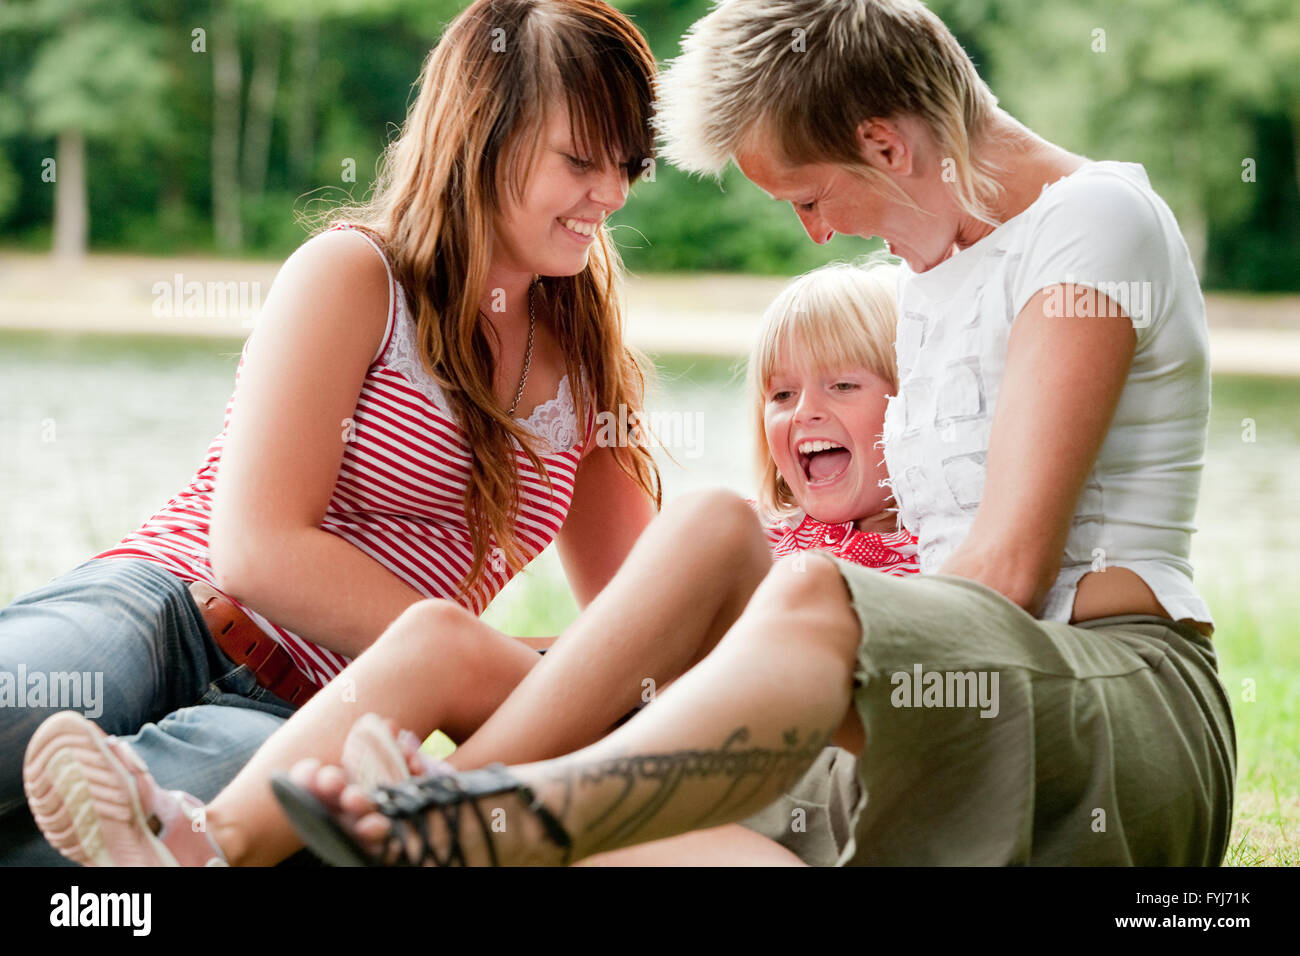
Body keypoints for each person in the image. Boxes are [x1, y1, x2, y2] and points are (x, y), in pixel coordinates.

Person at [273, 0, 1236, 868]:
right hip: (947, 712)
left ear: (885, 146)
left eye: (808, 199)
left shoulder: (1092, 223)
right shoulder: (932, 279)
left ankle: (478, 813)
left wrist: (781, 644)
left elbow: (1007, 575)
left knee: (805, 594)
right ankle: (420, 820)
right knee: (709, 533)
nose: (817, 235)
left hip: (1100, 702)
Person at [0, 0, 661, 865]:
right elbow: (258, 550)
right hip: (165, 607)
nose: (612, 193)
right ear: (484, 133)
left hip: (302, 716)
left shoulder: (587, 373)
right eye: (581, 160)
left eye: (629, 164)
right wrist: (462, 657)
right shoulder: (356, 275)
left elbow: (643, 628)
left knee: (120, 856)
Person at [24, 261, 920, 867]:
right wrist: (560, 662)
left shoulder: (936, 541)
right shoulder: (766, 534)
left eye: (843, 385)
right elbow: (635, 654)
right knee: (436, 637)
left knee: (705, 525)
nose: (805, 411)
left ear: (919, 410)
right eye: (780, 392)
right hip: (662, 738)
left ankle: (428, 816)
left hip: (773, 779)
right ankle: (202, 840)